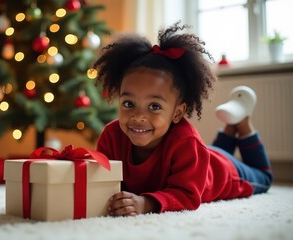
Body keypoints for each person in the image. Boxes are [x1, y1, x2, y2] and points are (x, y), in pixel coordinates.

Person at [93, 21, 273, 217]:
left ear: (177, 113)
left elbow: (187, 195)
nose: (138, 117)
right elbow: (103, 181)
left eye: (154, 106)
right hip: (203, 156)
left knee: (263, 177)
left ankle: (242, 123)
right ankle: (230, 127)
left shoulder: (187, 143)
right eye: (128, 104)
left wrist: (146, 203)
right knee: (212, 152)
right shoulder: (111, 136)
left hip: (225, 172)